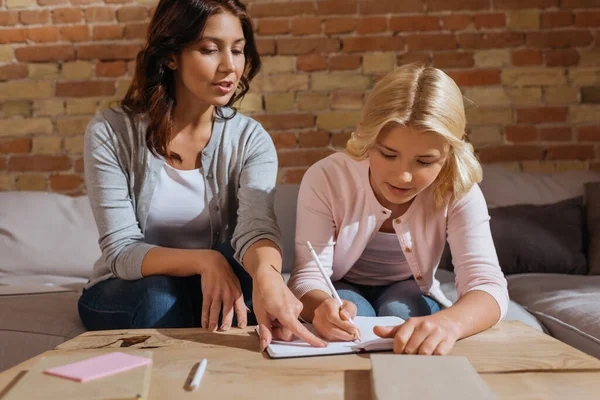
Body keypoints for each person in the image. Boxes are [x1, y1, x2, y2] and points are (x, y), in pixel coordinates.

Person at [78, 0, 324, 351]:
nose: (229, 66)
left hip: (215, 283)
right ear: (171, 56)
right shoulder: (111, 132)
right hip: (128, 286)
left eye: (238, 51)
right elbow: (121, 250)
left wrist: (268, 278)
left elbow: (256, 227)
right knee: (161, 298)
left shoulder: (249, 139)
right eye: (209, 49)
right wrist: (206, 260)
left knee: (254, 282)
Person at [288, 64, 509, 355]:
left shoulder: (458, 187)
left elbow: (488, 283)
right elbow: (306, 277)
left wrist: (451, 323)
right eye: (388, 154)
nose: (403, 176)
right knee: (355, 319)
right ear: (368, 141)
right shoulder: (327, 177)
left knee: (401, 313)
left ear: (449, 153)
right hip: (339, 285)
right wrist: (320, 307)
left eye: (425, 161)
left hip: (406, 286)